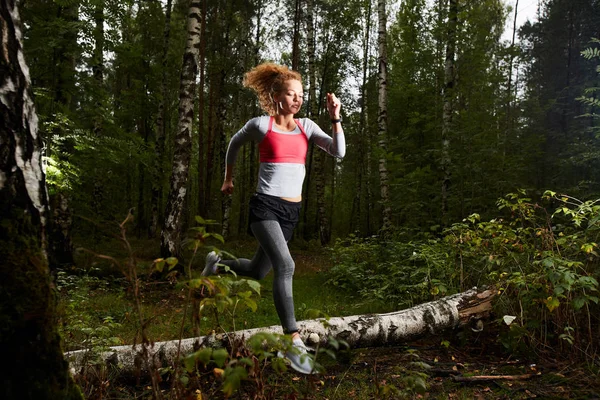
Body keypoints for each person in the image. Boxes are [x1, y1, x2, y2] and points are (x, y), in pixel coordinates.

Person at [201, 63, 345, 374]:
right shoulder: (261, 125)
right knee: (287, 265)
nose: (298, 100)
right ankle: (292, 339)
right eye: (292, 94)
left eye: (302, 95)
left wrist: (335, 117)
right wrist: (228, 177)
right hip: (264, 207)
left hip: (291, 212)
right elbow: (234, 144)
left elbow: (339, 151)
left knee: (256, 271)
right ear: (276, 96)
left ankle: (217, 263)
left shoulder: (306, 126)